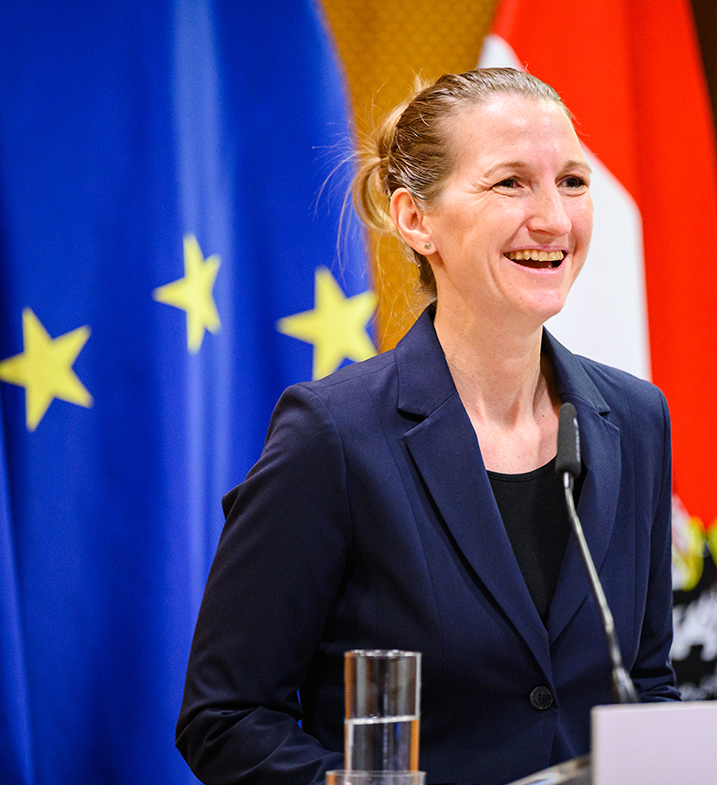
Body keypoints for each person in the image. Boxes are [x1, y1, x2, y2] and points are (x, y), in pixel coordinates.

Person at [176, 67, 679, 785]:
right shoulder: (334, 435)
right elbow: (225, 717)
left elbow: (646, 683)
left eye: (572, 181)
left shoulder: (634, 420)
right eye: (510, 183)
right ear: (415, 219)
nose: (554, 219)